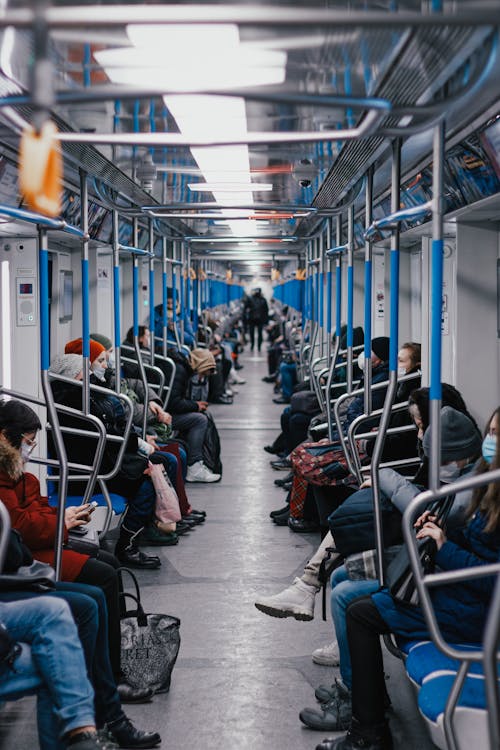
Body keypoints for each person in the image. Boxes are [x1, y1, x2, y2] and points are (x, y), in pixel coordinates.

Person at [314, 405, 498, 750]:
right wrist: (440, 530)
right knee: (360, 601)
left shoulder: (487, 488)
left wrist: (444, 548)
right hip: (462, 597)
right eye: (491, 432)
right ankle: (365, 718)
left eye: (498, 436)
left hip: (478, 614)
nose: (492, 441)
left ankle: (367, 732)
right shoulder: (488, 485)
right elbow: (474, 548)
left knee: (360, 611)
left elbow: (491, 580)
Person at [49, 356, 163, 569]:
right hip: (85, 474)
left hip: (90, 465)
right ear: (72, 376)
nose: (91, 375)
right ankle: (127, 547)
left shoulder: (76, 397)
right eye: (85, 373)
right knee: (144, 484)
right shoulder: (76, 402)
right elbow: (101, 437)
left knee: (144, 468)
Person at [168, 348, 221, 483]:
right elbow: (173, 403)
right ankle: (194, 466)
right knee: (200, 420)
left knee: (201, 416)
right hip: (165, 416)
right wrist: (195, 405)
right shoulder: (180, 372)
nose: (202, 377)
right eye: (203, 373)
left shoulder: (183, 369)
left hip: (168, 413)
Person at [245, 288, 269, 353]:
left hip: (254, 319)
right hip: (255, 319)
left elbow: (266, 311)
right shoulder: (262, 300)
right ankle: (255, 345)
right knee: (254, 333)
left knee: (257, 333)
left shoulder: (251, 299)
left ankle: (257, 346)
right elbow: (266, 311)